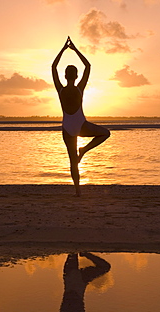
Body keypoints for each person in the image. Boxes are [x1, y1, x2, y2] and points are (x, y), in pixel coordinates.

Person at [52, 37, 110, 196]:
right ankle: (84, 150)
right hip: (81, 125)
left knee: (72, 161)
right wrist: (75, 49)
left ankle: (78, 191)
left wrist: (63, 50)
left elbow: (53, 66)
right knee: (106, 133)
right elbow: (88, 66)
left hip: (67, 128)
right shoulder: (80, 88)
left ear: (65, 76)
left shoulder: (60, 89)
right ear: (76, 76)